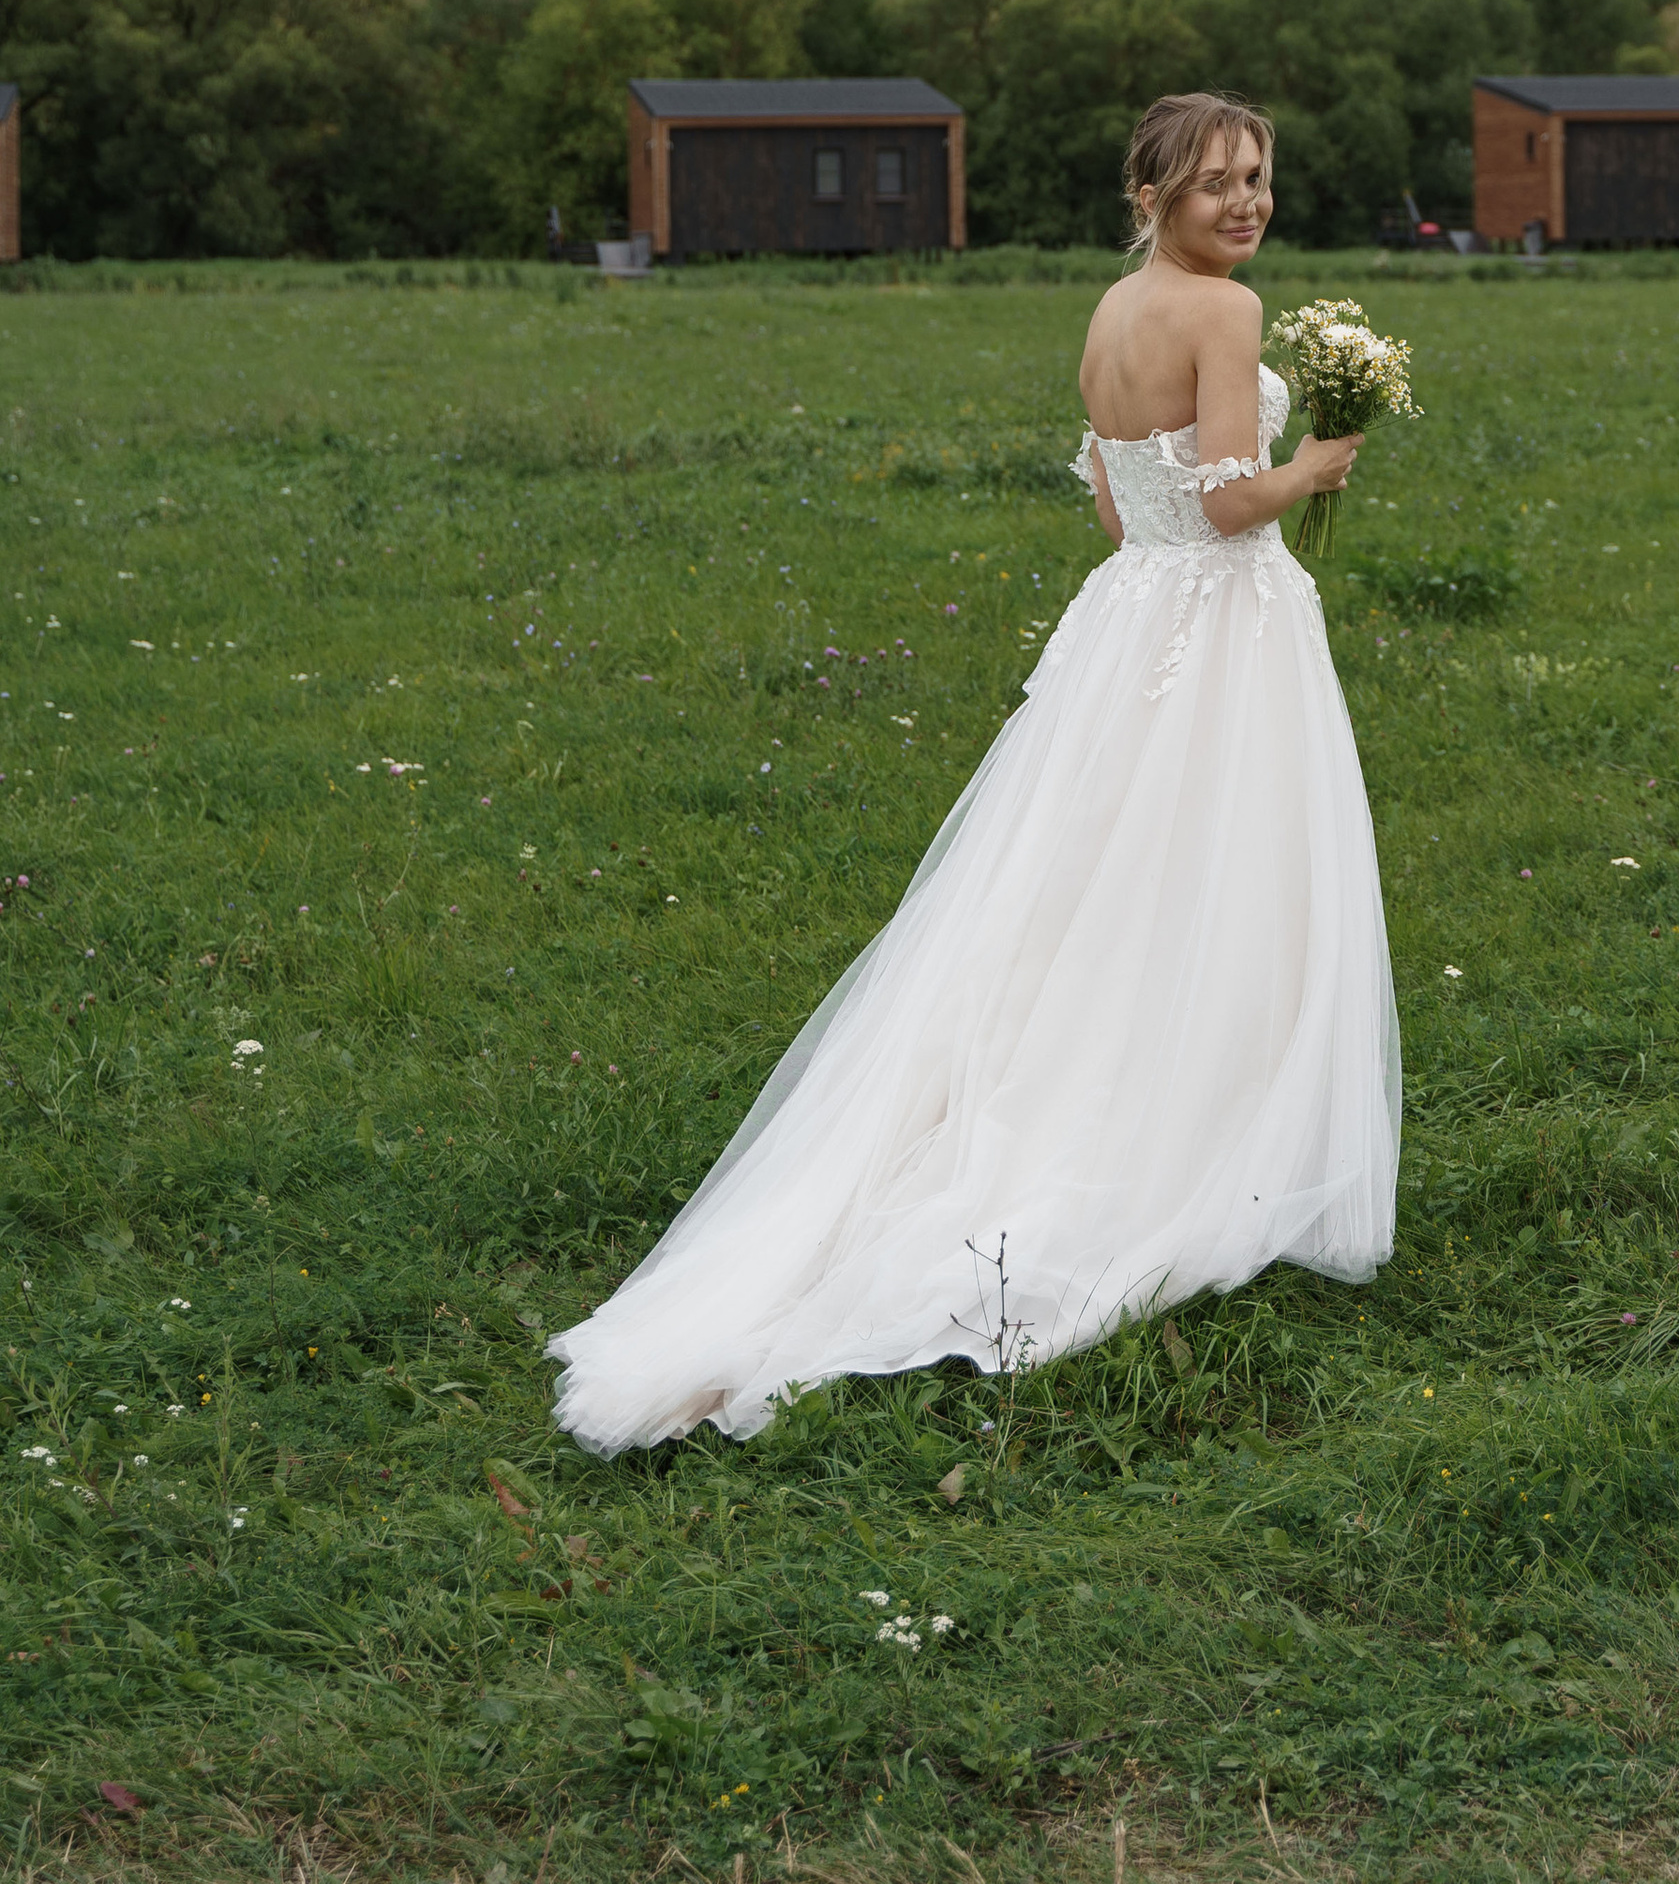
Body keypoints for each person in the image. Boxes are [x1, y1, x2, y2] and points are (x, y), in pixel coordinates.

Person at [548, 91, 1400, 1452]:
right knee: (1213, 876)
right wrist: (1318, 465)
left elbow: (1124, 502)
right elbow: (1231, 496)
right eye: (1216, 185)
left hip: (1129, 617)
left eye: (1259, 180)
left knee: (1085, 885)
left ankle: (1113, 1091)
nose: (1245, 205)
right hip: (1222, 624)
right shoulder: (1227, 315)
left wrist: (1215, 512)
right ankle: (1196, 1135)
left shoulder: (1114, 311)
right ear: (1156, 196)